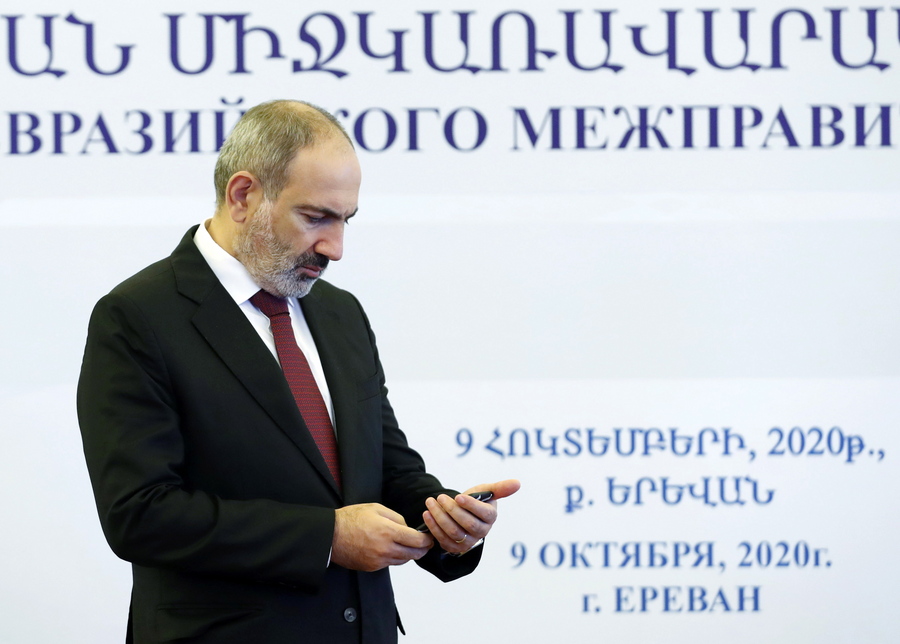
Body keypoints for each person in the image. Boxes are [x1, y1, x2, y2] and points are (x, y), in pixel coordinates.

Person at [77, 99, 519, 644]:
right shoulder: (139, 316)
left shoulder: (340, 312)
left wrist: (444, 520)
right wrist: (326, 538)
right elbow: (140, 515)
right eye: (316, 218)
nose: (335, 247)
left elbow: (385, 469)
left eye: (345, 220)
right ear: (243, 196)